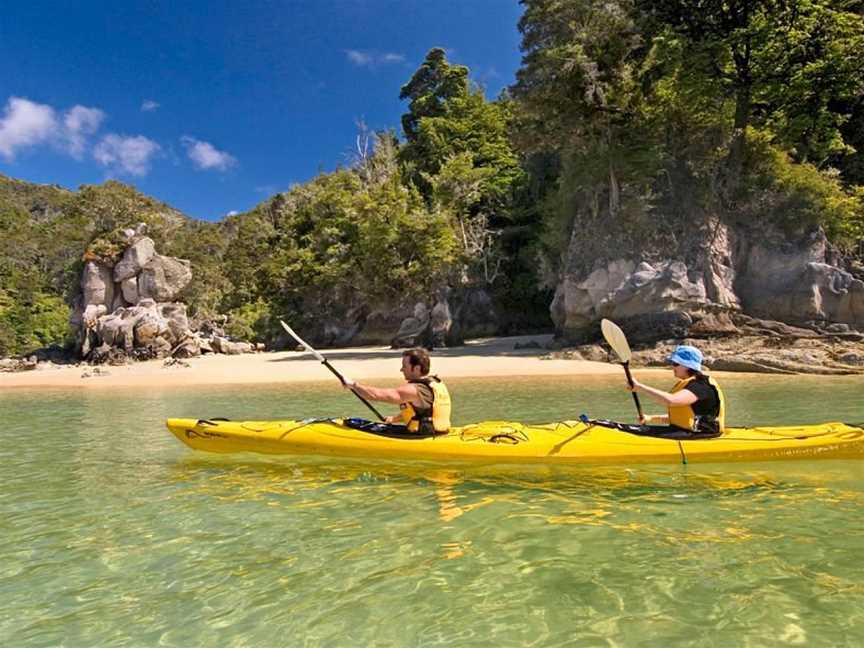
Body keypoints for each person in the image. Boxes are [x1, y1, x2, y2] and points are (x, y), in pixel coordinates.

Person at [343, 348, 452, 435]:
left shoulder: (415, 390)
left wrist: (353, 385)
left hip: (424, 436)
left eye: (405, 366)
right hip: (439, 433)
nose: (401, 369)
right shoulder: (434, 382)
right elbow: (423, 412)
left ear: (417, 368)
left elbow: (376, 395)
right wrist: (395, 419)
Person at [627, 344, 726, 438]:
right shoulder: (690, 384)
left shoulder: (700, 386)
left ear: (688, 365)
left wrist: (640, 387)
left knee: (634, 432)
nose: (672, 367)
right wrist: (651, 418)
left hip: (700, 435)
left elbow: (671, 401)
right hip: (684, 432)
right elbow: (680, 417)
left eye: (676, 364)